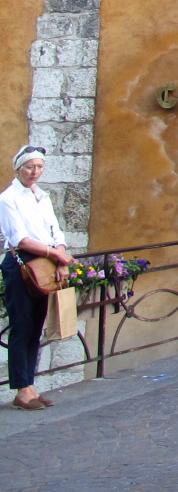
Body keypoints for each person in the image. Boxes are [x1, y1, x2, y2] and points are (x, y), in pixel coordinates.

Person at [0, 145, 72, 410]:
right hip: (22, 263)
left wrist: (60, 257)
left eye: (39, 167)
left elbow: (56, 231)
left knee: (35, 326)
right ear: (19, 168)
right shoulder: (8, 198)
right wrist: (56, 254)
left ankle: (30, 385)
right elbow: (20, 239)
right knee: (22, 326)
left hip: (45, 262)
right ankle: (22, 391)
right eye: (30, 167)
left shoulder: (42, 196)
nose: (35, 172)